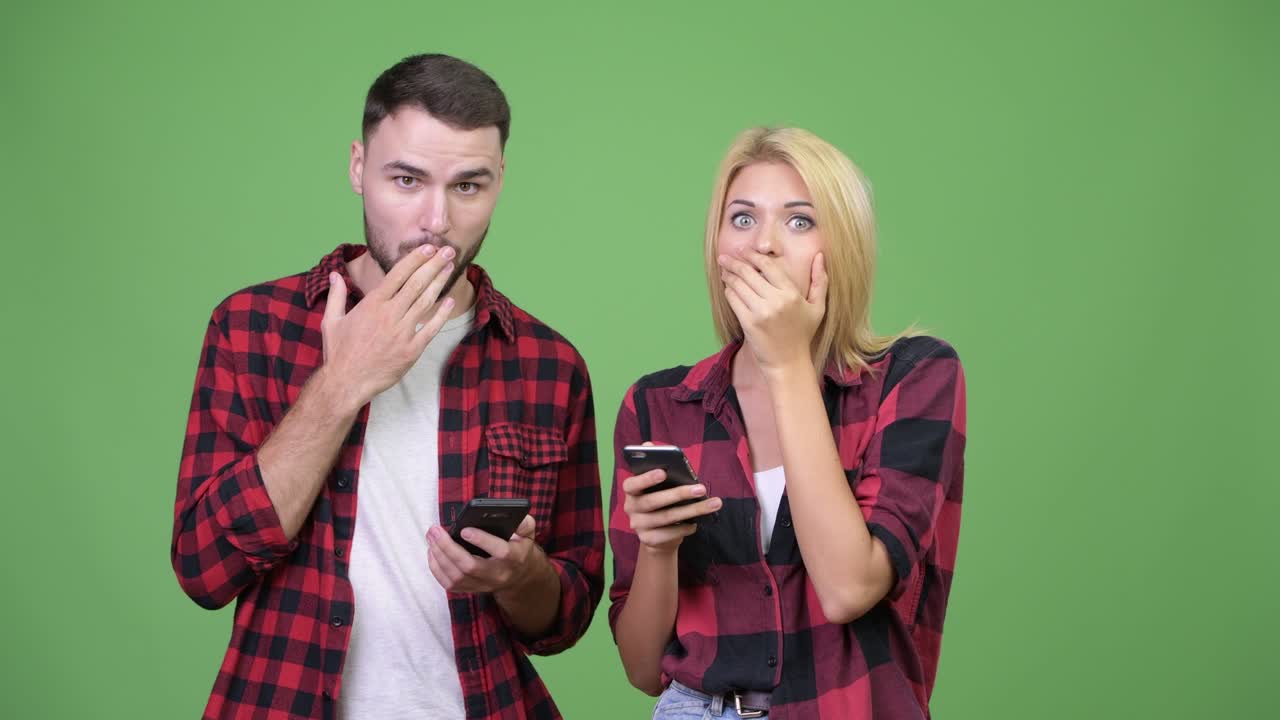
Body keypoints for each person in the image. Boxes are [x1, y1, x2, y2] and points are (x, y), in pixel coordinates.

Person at [171, 53, 603, 720]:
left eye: (468, 186)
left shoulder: (549, 365)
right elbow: (204, 567)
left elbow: (565, 617)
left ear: (499, 182)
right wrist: (342, 381)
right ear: (357, 168)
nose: (436, 219)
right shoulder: (250, 329)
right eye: (406, 179)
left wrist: (522, 575)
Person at [608, 127, 966, 719]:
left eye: (799, 221)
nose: (764, 245)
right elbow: (644, 669)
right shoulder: (659, 404)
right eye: (742, 219)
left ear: (842, 246)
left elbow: (851, 588)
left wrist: (786, 364)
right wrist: (660, 547)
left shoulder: (916, 375)